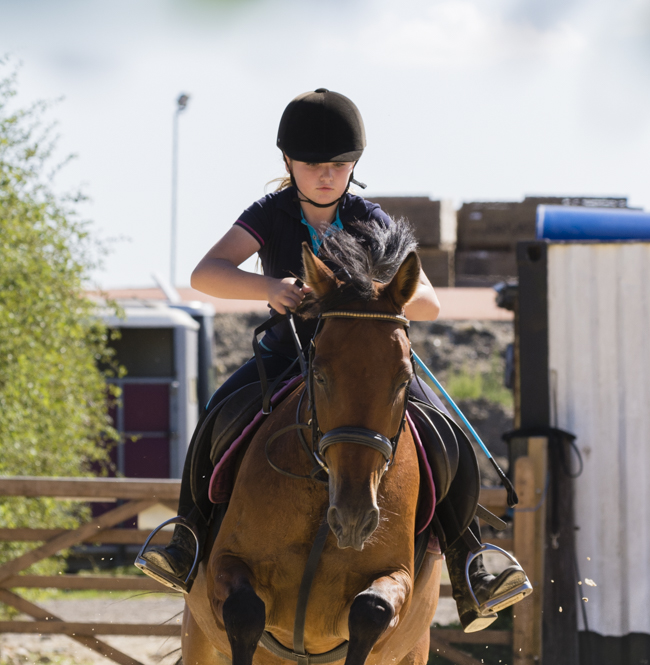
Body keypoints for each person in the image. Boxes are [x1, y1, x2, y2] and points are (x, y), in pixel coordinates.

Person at [140, 88, 530, 631]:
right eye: (313, 165)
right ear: (288, 163)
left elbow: (430, 302)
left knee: (445, 434)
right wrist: (270, 287)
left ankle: (471, 567)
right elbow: (207, 273)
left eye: (340, 165)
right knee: (216, 413)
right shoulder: (269, 214)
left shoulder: (368, 218)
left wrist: (366, 287)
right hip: (286, 357)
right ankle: (186, 539)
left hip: (365, 365)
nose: (327, 176)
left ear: (354, 167)